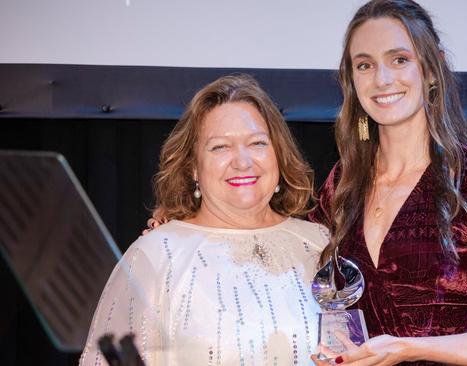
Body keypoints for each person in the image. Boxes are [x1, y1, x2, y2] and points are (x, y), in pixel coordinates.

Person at [309, 0, 467, 365]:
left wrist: (409, 348)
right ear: (351, 80)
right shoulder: (340, 187)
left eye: (399, 59)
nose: (382, 79)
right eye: (364, 65)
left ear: (431, 70)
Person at [79, 74, 329, 366]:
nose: (242, 161)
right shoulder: (156, 255)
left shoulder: (320, 243)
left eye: (258, 143)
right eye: (220, 147)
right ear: (193, 167)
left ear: (279, 155)